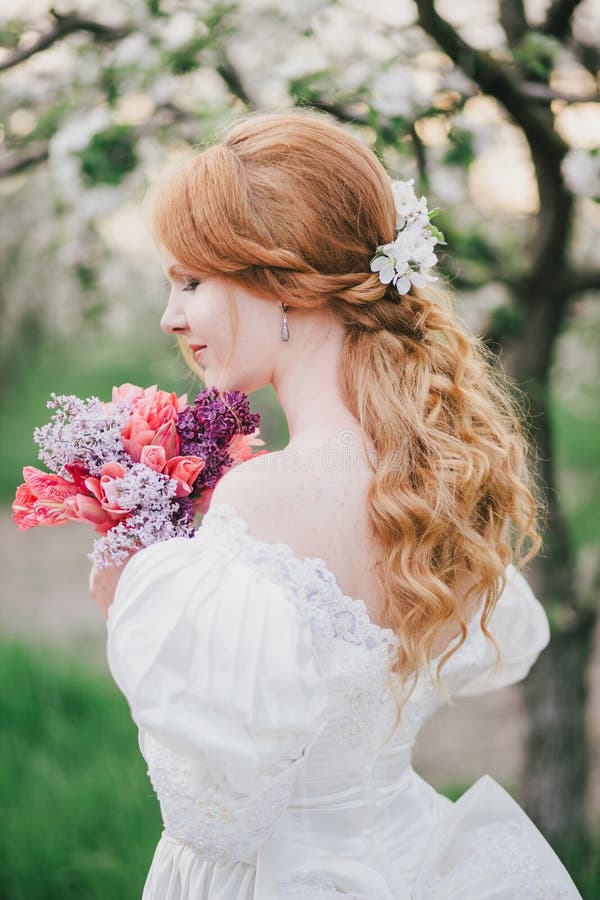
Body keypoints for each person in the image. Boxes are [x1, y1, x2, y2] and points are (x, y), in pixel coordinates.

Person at [90, 109, 583, 898]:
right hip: (405, 851)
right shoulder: (435, 476)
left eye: (190, 281)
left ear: (283, 281)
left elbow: (214, 817)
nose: (170, 317)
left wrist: (128, 605)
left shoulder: (259, 498)